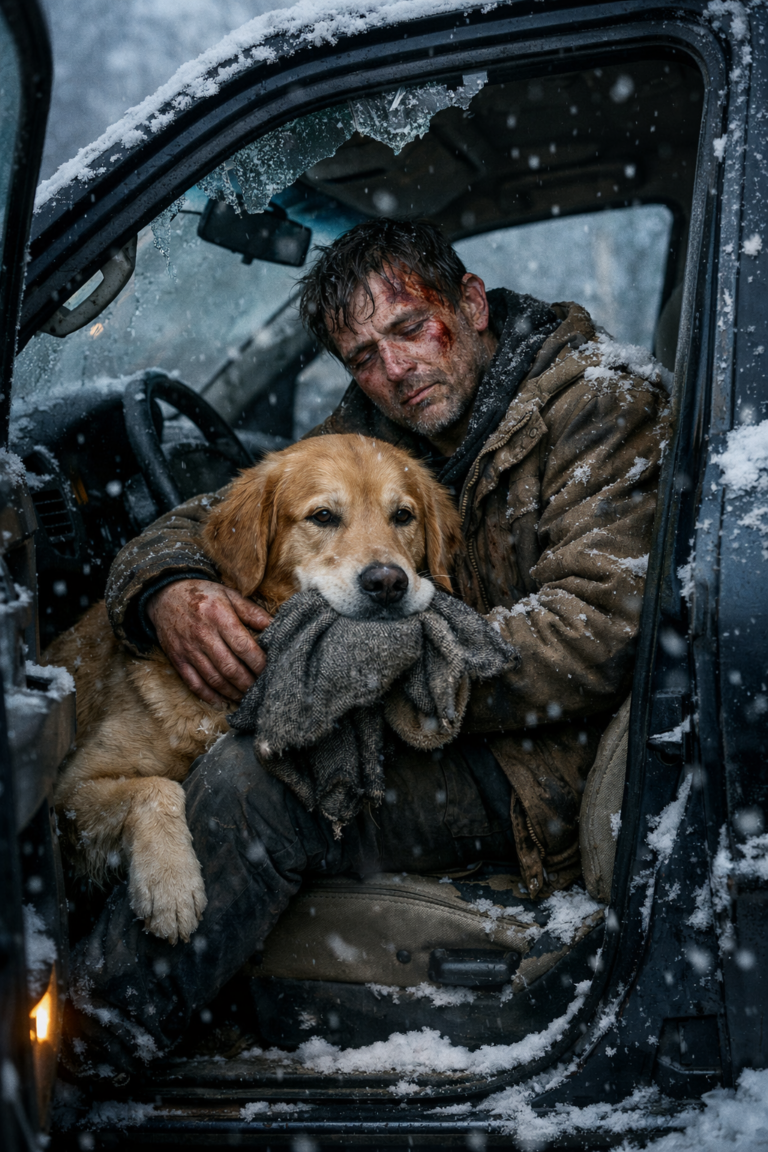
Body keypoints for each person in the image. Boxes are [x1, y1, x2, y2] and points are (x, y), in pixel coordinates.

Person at [64, 219, 671, 1073]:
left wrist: (379, 659)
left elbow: (593, 633)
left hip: (532, 764)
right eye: (362, 355)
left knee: (258, 779)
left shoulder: (602, 404)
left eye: (410, 327)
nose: (394, 368)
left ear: (470, 301)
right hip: (442, 730)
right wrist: (168, 587)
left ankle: (87, 1051)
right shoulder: (389, 416)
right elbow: (219, 517)